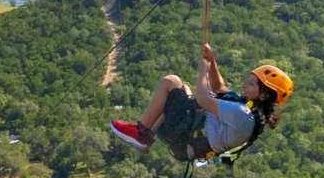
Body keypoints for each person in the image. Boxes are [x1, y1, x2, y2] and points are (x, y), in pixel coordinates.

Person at [109, 44, 292, 163]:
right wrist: (212, 62)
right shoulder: (248, 110)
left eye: (252, 84)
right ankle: (146, 137)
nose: (245, 84)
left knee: (171, 82)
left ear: (264, 95)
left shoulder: (242, 114)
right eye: (248, 80)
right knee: (183, 91)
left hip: (186, 138)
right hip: (189, 137)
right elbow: (219, 86)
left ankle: (141, 133)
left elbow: (202, 99)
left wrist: (203, 70)